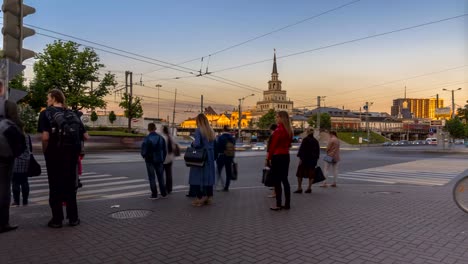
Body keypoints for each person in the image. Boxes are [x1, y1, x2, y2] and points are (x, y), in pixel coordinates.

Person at [38, 89, 86, 228]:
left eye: (48, 98)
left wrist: (45, 151)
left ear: (53, 98)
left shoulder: (45, 113)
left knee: (55, 186)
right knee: (71, 186)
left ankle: (57, 220)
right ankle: (73, 218)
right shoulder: (72, 113)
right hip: (71, 155)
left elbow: (45, 137)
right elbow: (85, 135)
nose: (47, 100)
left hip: (54, 154)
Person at [0, 81, 23, 233]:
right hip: (4, 152)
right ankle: (3, 223)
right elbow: (17, 126)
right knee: (3, 188)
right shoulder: (9, 105)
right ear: (1, 89)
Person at [267, 111, 293, 211]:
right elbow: (289, 144)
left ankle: (278, 204)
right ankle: (287, 204)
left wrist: (269, 158)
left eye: (277, 117)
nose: (276, 119)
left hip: (277, 157)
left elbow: (273, 146)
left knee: (277, 181)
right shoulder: (289, 130)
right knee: (285, 180)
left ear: (282, 118)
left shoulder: (278, 130)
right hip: (286, 156)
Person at [189, 114, 216, 206]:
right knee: (209, 176)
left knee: (198, 176)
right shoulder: (211, 130)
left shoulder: (198, 130)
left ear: (198, 121)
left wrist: (192, 143)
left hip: (201, 157)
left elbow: (197, 144)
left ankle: (200, 198)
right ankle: (208, 197)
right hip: (210, 156)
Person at [141, 123, 167, 199]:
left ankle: (154, 194)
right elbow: (164, 150)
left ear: (148, 129)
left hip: (150, 160)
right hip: (159, 159)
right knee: (160, 177)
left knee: (152, 177)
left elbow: (144, 150)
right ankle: (163, 193)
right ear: (155, 128)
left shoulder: (147, 138)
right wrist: (163, 158)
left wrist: (144, 156)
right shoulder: (161, 138)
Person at [294, 128, 320, 193]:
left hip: (304, 159)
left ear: (307, 132)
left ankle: (299, 187)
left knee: (299, 174)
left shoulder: (305, 140)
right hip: (312, 160)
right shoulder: (315, 141)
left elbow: (302, 150)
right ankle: (309, 188)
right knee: (311, 174)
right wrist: (316, 159)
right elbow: (318, 152)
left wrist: (300, 159)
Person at [12, 131, 32, 206]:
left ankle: (16, 201)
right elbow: (30, 148)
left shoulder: (13, 134)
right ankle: (25, 201)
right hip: (26, 159)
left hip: (16, 159)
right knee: (24, 180)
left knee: (15, 181)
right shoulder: (26, 135)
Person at [215, 125, 235, 191]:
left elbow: (217, 147)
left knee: (218, 171)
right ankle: (226, 187)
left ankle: (217, 185)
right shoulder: (232, 138)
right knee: (228, 172)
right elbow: (233, 148)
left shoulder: (220, 137)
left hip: (221, 156)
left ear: (223, 130)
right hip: (229, 157)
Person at [161, 126, 176, 194]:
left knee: (160, 174)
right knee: (169, 174)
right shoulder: (171, 137)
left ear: (163, 130)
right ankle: (169, 188)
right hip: (170, 158)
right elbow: (174, 147)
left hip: (163, 158)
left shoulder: (163, 137)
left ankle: (163, 188)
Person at [265, 123, 277, 198]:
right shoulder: (276, 136)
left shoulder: (272, 136)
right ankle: (274, 188)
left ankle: (275, 192)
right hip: (276, 156)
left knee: (274, 174)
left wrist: (267, 159)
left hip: (272, 157)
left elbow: (269, 150)